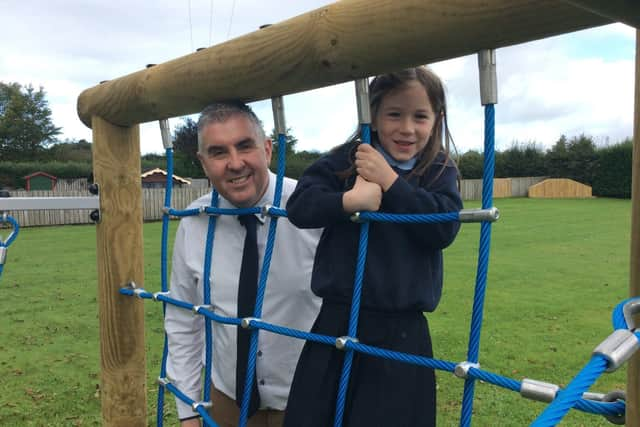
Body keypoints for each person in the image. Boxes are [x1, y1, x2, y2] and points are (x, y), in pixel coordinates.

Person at [283, 66, 463, 427]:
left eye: (420, 116)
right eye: (394, 114)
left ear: (436, 119)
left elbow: (443, 227)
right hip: (336, 319)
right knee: (315, 416)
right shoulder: (347, 160)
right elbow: (299, 206)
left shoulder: (438, 169)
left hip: (401, 332)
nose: (407, 128)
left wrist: (390, 182)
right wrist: (348, 201)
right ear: (373, 116)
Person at [165, 101, 322, 427]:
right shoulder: (195, 222)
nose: (235, 163)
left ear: (267, 148)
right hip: (227, 398)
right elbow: (183, 320)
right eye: (219, 152)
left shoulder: (313, 208)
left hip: (307, 396)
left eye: (245, 146)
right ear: (203, 162)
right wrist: (189, 409)